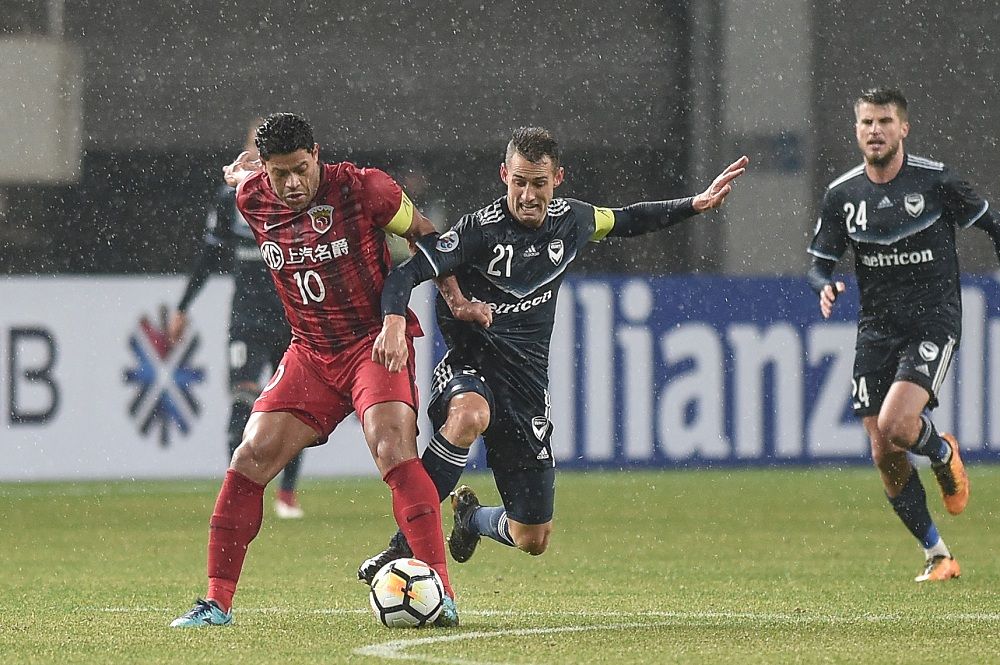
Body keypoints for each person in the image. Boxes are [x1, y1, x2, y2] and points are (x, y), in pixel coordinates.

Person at [357, 126, 748, 582]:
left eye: (538, 184)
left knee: (532, 537)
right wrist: (394, 321)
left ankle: (472, 520)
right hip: (470, 368)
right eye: (519, 181)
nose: (527, 195)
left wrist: (694, 204)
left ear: (557, 179)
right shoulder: (476, 233)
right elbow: (405, 276)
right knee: (468, 416)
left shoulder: (574, 221)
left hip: (526, 388)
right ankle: (402, 546)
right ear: (504, 174)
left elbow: (629, 219)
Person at [171, 112, 488, 628]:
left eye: (301, 169)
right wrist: (243, 172)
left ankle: (441, 590)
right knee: (249, 455)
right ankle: (215, 603)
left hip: (372, 347)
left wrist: (453, 298)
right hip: (311, 354)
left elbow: (428, 236)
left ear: (316, 154)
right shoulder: (252, 196)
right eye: (280, 174)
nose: (292, 184)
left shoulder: (365, 190)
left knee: (391, 447)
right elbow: (242, 177)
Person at [807, 88, 1000, 582]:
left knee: (896, 424)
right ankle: (939, 555)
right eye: (867, 122)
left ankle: (942, 452)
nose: (875, 130)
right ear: (856, 130)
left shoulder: (936, 182)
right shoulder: (842, 195)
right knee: (883, 452)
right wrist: (825, 283)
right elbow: (819, 263)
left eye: (885, 122)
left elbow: (993, 225)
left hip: (933, 319)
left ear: (903, 129)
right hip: (876, 329)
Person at [169, 118, 306, 520]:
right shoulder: (230, 200)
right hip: (247, 318)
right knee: (242, 404)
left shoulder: (299, 197)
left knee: (294, 409)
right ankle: (242, 494)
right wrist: (183, 307)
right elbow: (209, 257)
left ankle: (287, 493)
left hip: (293, 319)